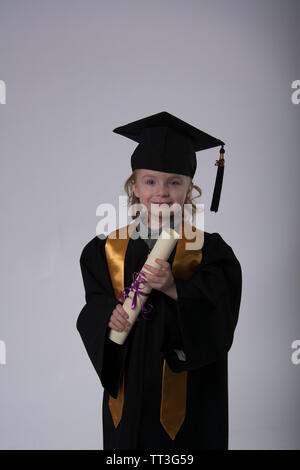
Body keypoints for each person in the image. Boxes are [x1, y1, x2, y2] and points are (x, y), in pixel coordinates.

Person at [76, 111, 242, 450]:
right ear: (134, 187)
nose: (161, 192)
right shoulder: (106, 249)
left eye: (173, 182)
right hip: (131, 375)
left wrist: (174, 287)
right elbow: (93, 304)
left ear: (189, 189)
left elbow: (221, 312)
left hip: (188, 383)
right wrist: (109, 315)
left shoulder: (209, 250)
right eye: (150, 181)